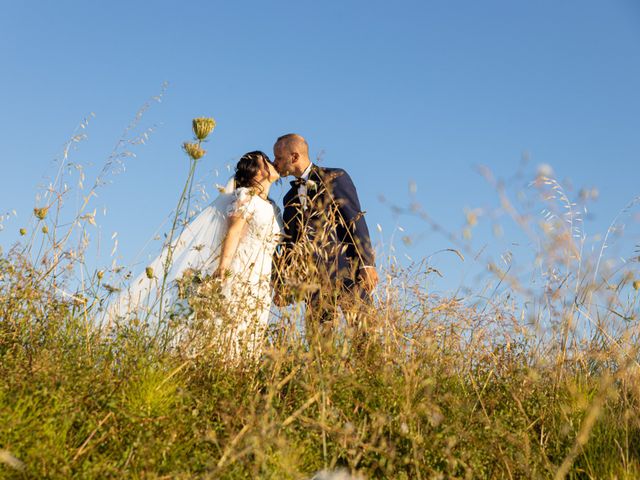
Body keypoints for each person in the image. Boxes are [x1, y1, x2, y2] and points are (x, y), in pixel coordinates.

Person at [111, 151, 282, 358]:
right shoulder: (246, 196)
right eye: (266, 161)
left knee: (252, 329)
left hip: (261, 279)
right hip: (242, 272)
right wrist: (223, 269)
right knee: (231, 325)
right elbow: (234, 231)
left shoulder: (273, 207)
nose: (272, 163)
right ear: (256, 173)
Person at [271, 134, 378, 342]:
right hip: (313, 282)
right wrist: (283, 284)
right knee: (319, 344)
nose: (275, 163)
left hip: (348, 272)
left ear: (294, 157)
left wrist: (366, 264)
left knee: (365, 337)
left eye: (278, 157)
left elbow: (354, 219)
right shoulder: (289, 198)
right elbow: (291, 243)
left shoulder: (335, 177)